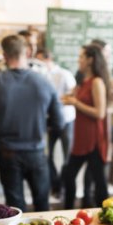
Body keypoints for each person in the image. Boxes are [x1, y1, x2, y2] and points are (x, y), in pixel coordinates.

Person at [0, 35, 64, 212]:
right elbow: (59, 122)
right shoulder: (44, 83)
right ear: (27, 52)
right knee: (42, 204)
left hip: (8, 153)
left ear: (4, 56)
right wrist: (39, 123)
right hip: (37, 151)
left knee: (15, 207)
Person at [62, 44, 110, 209]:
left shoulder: (97, 82)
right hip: (81, 138)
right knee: (69, 176)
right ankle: (68, 212)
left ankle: (105, 216)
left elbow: (100, 113)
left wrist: (75, 102)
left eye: (81, 57)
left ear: (90, 60)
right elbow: (70, 96)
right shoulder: (82, 81)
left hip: (94, 139)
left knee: (99, 182)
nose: (79, 60)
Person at [36, 49, 77, 197]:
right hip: (49, 121)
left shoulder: (64, 74)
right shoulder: (40, 76)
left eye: (39, 61)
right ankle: (56, 184)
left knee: (68, 156)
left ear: (48, 59)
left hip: (67, 119)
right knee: (47, 156)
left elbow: (74, 93)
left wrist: (55, 99)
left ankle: (62, 186)